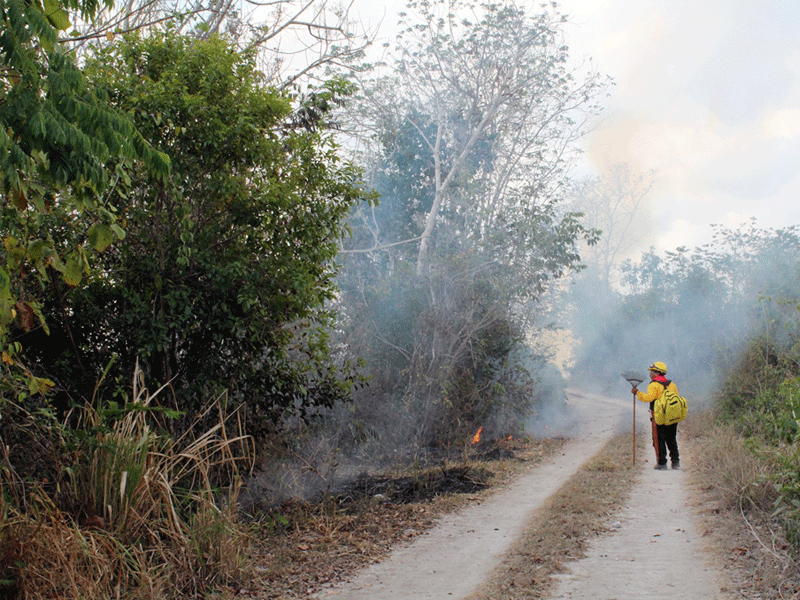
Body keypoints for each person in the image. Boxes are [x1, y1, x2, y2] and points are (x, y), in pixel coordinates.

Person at [631, 361, 680, 470]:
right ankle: (676, 463)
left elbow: (648, 398)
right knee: (672, 438)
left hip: (659, 416)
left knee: (659, 439)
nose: (650, 374)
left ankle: (662, 463)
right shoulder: (672, 384)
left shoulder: (654, 385)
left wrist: (637, 393)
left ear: (657, 373)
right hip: (672, 415)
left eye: (652, 371)